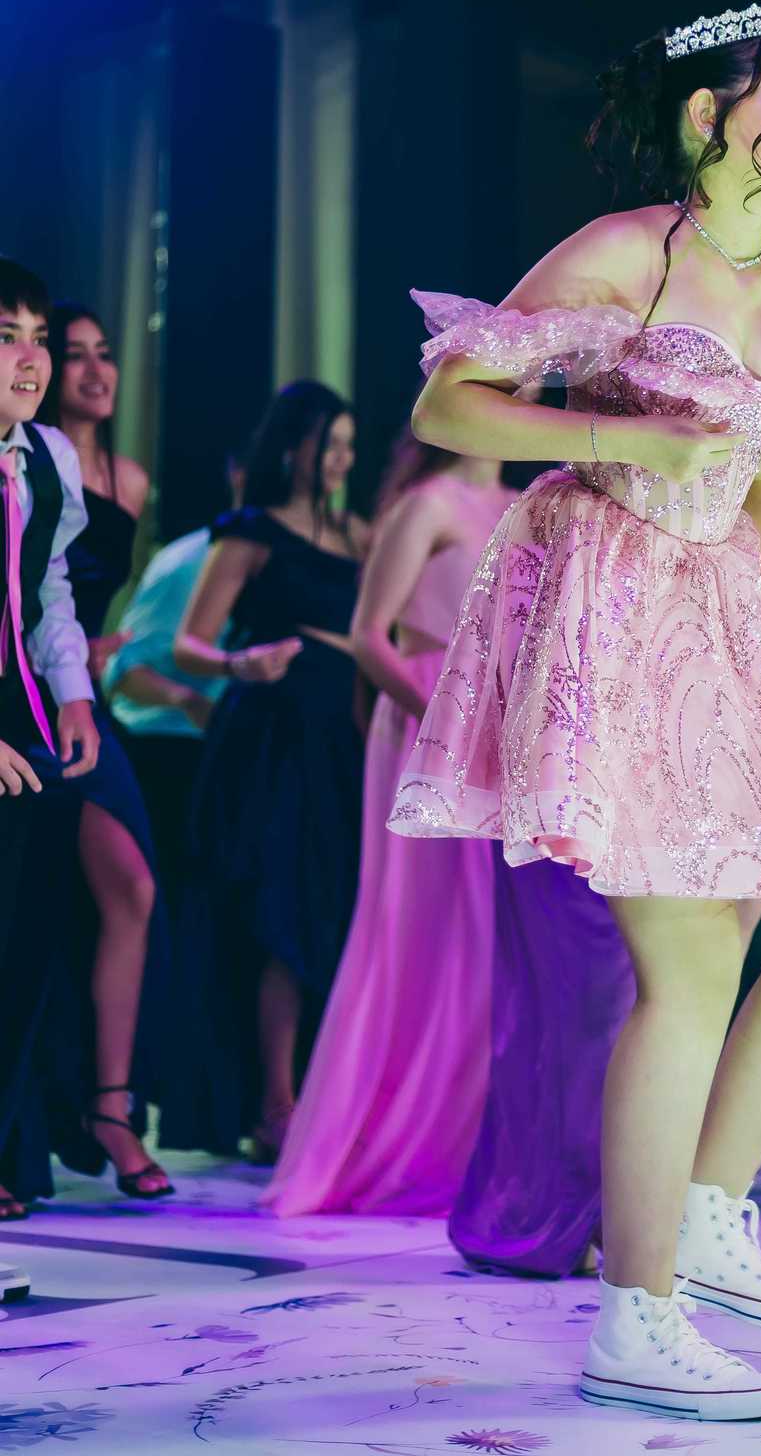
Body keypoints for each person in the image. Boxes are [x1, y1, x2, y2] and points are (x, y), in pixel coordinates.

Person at [389, 0, 761, 1421]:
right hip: (612, 593)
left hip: (727, 607)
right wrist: (620, 429)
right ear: (706, 118)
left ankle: (709, 1210)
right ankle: (637, 1311)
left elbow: (758, 471)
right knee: (690, 966)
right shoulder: (623, 254)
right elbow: (451, 405)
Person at [265, 431, 515, 1216]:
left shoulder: (522, 503)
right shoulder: (425, 505)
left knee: (493, 936)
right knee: (426, 931)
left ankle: (476, 1140)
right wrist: (448, 722)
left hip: (504, 726)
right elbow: (370, 636)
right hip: (430, 719)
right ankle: (402, 1142)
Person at [168, 381, 367, 1161]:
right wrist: (238, 663)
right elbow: (187, 645)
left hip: (342, 742)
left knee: (334, 912)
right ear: (294, 446)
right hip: (271, 741)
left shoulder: (360, 535)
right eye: (329, 444)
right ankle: (276, 1105)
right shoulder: (250, 531)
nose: (342, 459)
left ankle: (325, 1099)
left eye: (350, 445)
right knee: (282, 911)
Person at [30, 302, 171, 1201]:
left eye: (103, 354)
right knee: (38, 903)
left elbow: (79, 596)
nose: (92, 370)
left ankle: (111, 1105)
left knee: (132, 889)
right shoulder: (27, 456)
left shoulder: (130, 478)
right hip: (27, 684)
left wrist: (102, 649)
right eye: (71, 353)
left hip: (79, 691)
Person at [0, 257, 100, 1246]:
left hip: (23, 708)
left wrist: (73, 693)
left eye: (37, 339)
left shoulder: (47, 456)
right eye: (6, 338)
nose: (30, 361)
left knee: (27, 941)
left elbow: (49, 587)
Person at [105, 456, 243, 914]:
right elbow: (123, 670)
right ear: (239, 475)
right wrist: (187, 700)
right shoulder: (187, 561)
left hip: (242, 757)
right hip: (174, 753)